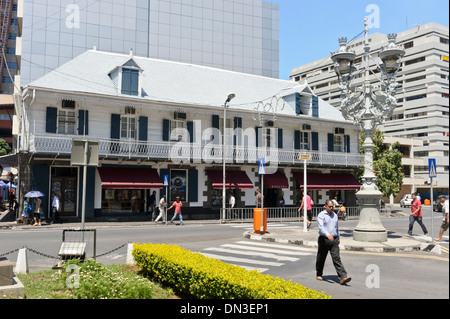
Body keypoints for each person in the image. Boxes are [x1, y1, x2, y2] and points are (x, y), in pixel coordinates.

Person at [316, 200, 351, 285]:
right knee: (321, 257)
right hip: (324, 239)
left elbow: (336, 227)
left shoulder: (335, 215)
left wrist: (338, 237)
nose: (331, 208)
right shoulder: (321, 215)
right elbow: (321, 227)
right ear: (325, 206)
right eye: (330, 207)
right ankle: (319, 273)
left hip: (334, 240)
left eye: (332, 207)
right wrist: (328, 235)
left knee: (336, 258)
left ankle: (342, 277)